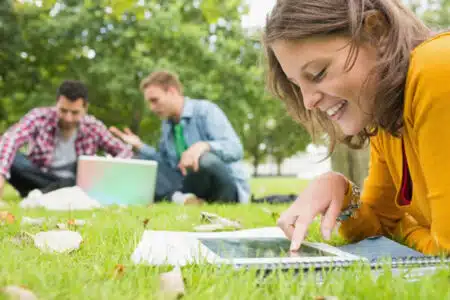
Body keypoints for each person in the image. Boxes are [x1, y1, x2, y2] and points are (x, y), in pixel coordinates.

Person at [264, 0, 450, 255]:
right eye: (297, 85)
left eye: (318, 73)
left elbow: (445, 250)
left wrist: (406, 230)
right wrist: (342, 193)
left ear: (376, 31)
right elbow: (378, 227)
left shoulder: (438, 68)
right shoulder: (386, 115)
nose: (308, 102)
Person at [110, 70, 250, 204]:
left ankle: (182, 198)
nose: (152, 108)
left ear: (172, 91)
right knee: (140, 163)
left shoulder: (205, 110)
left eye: (155, 100)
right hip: (191, 184)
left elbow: (235, 149)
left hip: (223, 187)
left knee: (205, 160)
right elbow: (164, 163)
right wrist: (139, 146)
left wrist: (203, 146)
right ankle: (185, 199)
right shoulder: (167, 125)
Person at [0, 80, 133, 199]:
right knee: (16, 161)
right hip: (40, 177)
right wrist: (1, 173)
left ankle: (42, 193)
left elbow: (124, 151)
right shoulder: (39, 116)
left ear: (85, 108)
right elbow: (11, 139)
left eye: (75, 113)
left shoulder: (94, 127)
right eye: (63, 110)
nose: (68, 118)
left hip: (75, 182)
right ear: (57, 103)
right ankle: (48, 192)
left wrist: (106, 169)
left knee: (73, 182)